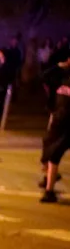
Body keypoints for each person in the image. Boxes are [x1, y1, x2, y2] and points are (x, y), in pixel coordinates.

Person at [40, 55, 70, 203]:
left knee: (54, 154)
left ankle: (49, 190)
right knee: (48, 151)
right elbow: (44, 76)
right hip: (58, 121)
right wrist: (59, 66)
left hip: (68, 125)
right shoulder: (62, 77)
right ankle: (50, 181)